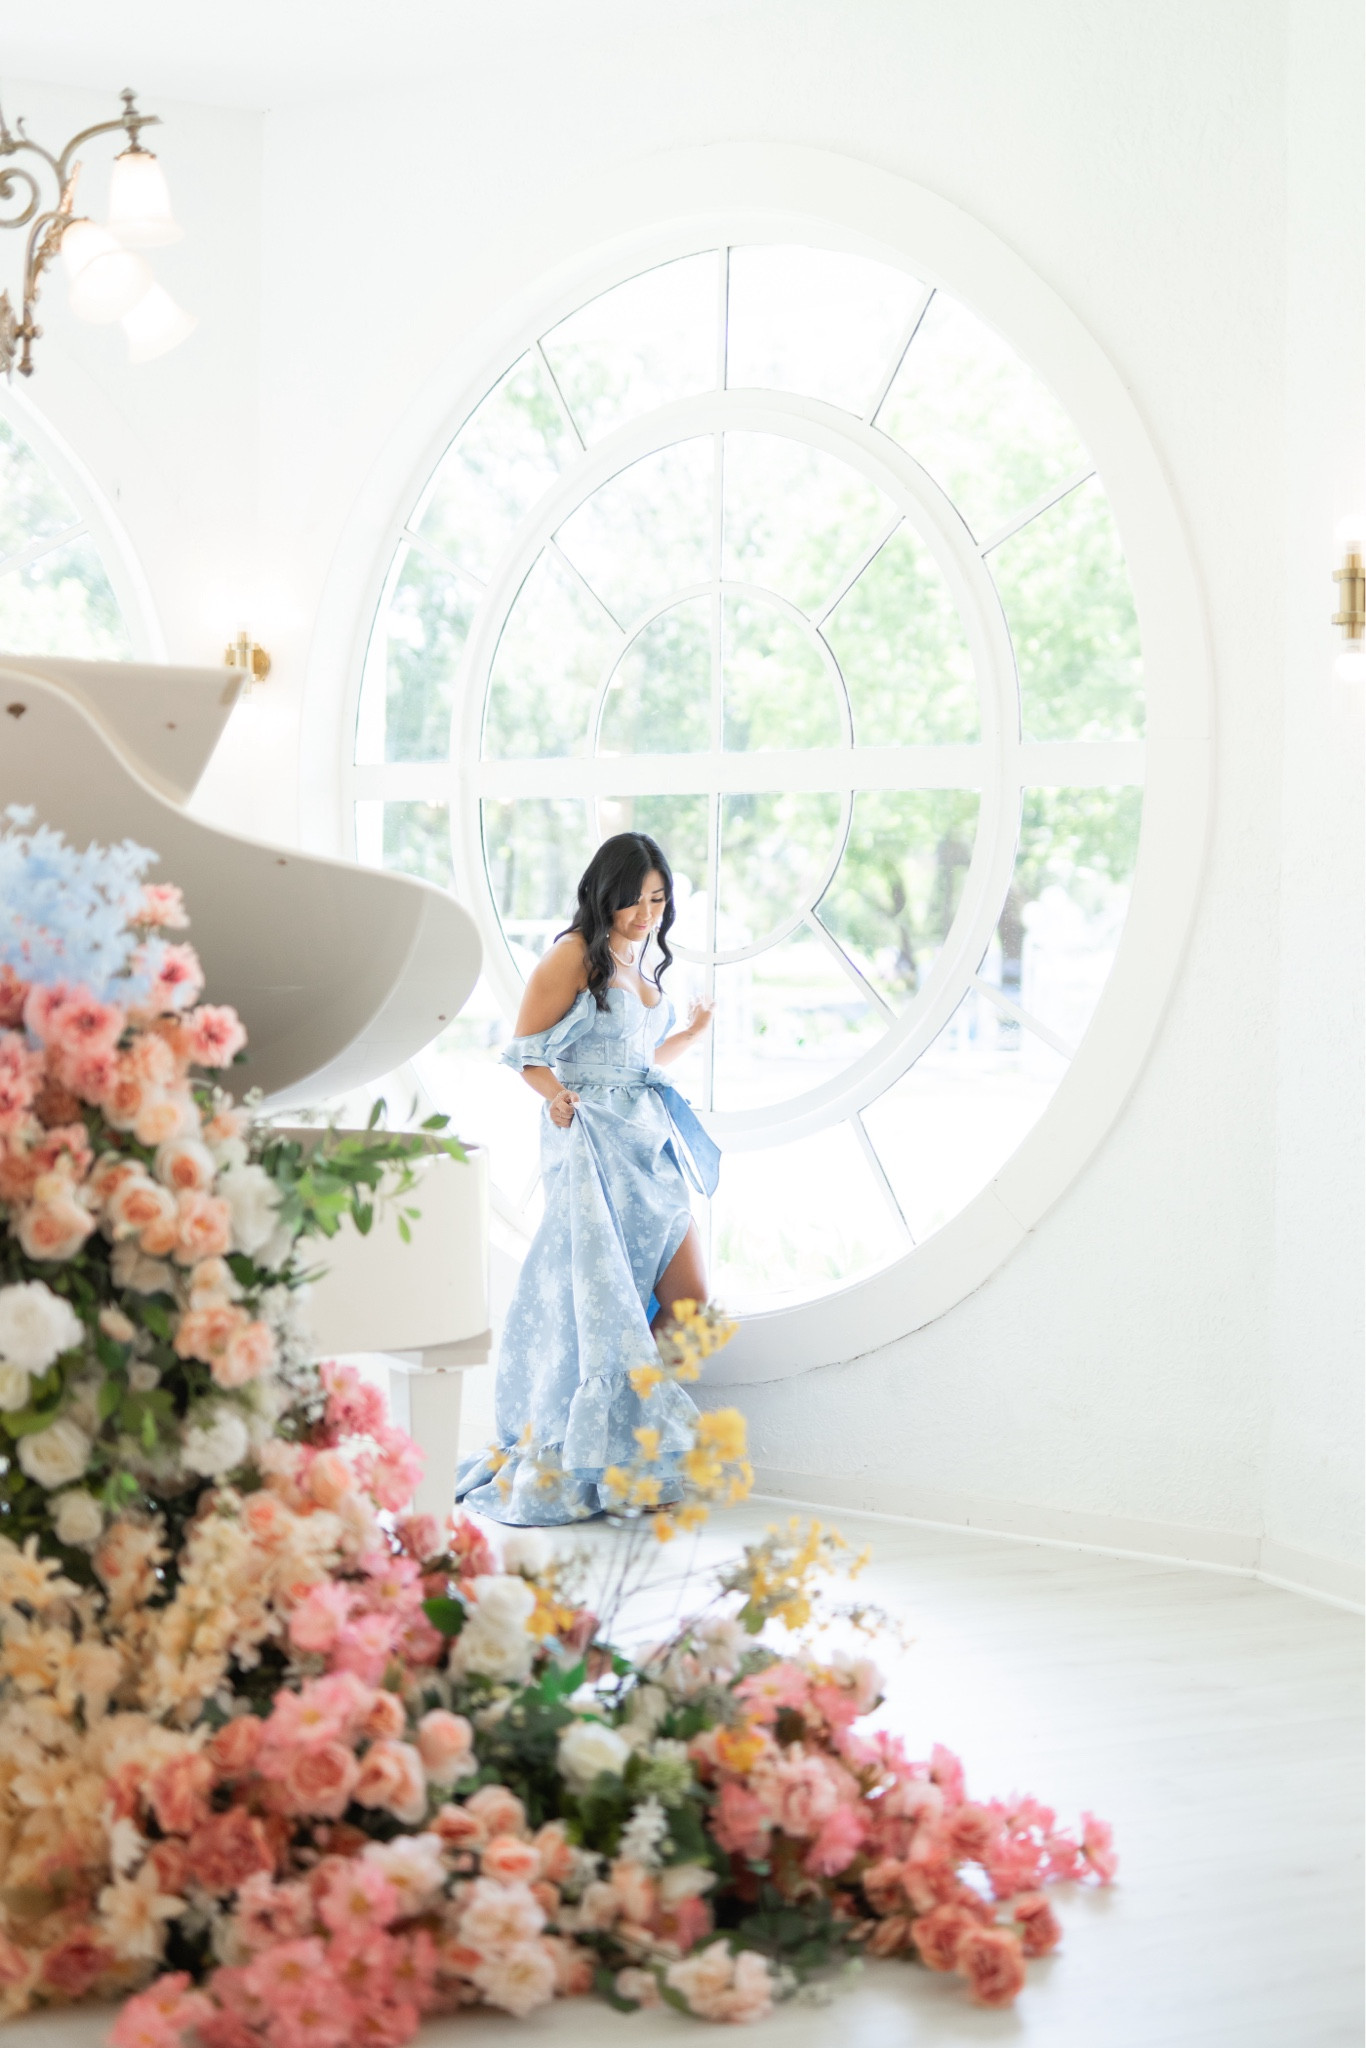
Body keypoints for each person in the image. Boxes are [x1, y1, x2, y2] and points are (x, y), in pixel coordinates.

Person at [454, 833, 718, 1525]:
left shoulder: (639, 954)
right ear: (606, 892)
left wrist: (689, 1037)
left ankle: (623, 1447)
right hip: (590, 1141)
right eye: (634, 899)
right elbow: (523, 1052)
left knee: (689, 1304)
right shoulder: (572, 953)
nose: (645, 913)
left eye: (658, 900)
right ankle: (599, 1459)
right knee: (598, 1310)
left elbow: (634, 1054)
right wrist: (554, 1096)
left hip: (647, 1140)